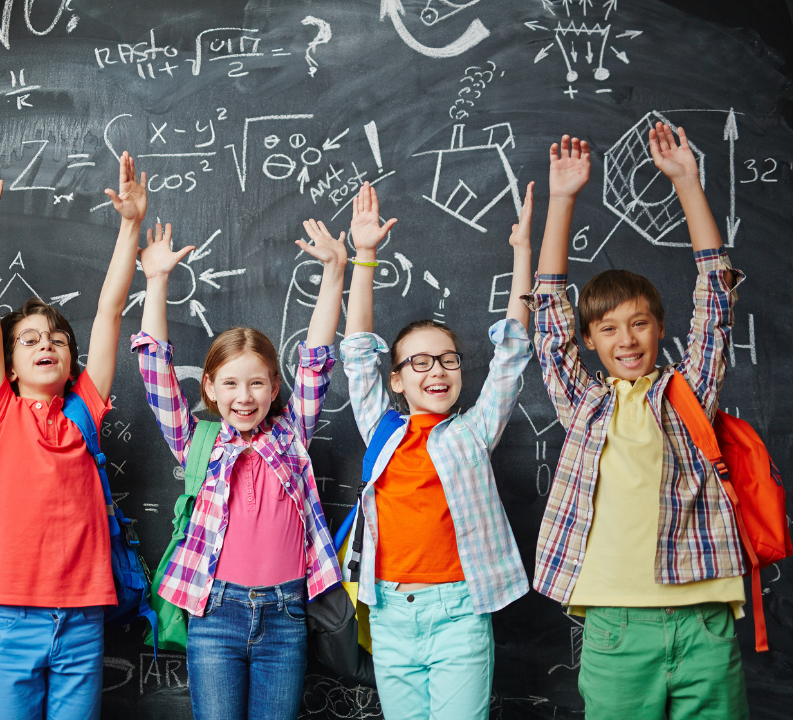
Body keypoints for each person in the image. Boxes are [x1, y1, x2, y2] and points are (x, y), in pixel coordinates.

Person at [528, 126, 748, 719]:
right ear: (592, 341)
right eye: (607, 329)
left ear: (659, 327)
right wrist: (564, 199)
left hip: (704, 618)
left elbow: (717, 301)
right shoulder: (584, 404)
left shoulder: (689, 392)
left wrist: (687, 183)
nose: (626, 339)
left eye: (639, 323)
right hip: (616, 626)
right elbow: (548, 317)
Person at [131, 219, 345, 720]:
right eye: (229, 384)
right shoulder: (197, 440)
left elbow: (315, 361)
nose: (243, 397)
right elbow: (154, 371)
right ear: (209, 387)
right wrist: (157, 282)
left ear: (274, 388)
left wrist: (334, 272)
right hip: (215, 614)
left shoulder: (291, 433)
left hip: (286, 612)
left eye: (256, 384)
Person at [338, 181, 535, 720]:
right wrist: (365, 256)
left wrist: (522, 256)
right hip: (389, 610)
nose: (437, 371)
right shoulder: (381, 428)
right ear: (397, 379)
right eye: (419, 363)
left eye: (447, 360)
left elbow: (512, 352)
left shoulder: (472, 432)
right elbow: (357, 353)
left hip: (460, 611)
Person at [0, 152, 145, 720]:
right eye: (31, 339)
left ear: (71, 361)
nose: (47, 345)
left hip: (84, 614)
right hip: (11, 616)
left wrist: (131, 225)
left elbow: (110, 312)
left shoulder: (84, 409)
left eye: (59, 339)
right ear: (11, 365)